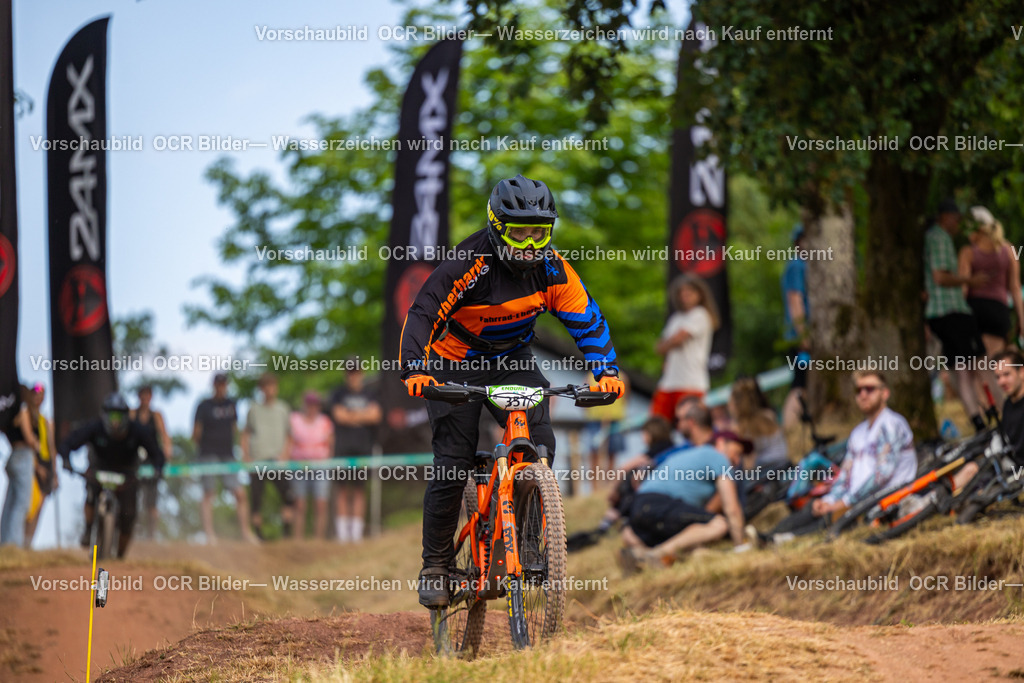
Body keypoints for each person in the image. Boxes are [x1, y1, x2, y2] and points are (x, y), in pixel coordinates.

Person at [400, 174, 624, 607]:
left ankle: (529, 539)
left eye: (539, 233)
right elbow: (423, 311)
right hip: (456, 362)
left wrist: (605, 370)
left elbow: (586, 319)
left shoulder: (553, 268)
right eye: (519, 232)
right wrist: (414, 368)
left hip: (512, 360)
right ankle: (437, 564)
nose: (529, 243)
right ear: (496, 227)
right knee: (453, 462)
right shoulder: (470, 263)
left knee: (542, 444)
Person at [763, 370, 917, 542]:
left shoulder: (891, 424)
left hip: (884, 499)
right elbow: (845, 474)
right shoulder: (857, 433)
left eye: (870, 389)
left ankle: (785, 539)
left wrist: (844, 502)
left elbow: (882, 475)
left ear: (885, 393)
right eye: (859, 390)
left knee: (833, 517)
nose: (863, 395)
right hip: (855, 500)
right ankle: (769, 537)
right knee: (812, 507)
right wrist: (829, 499)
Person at [619, 403, 746, 571]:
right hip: (658, 502)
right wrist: (742, 546)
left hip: (640, 507)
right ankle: (658, 555)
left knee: (684, 534)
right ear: (721, 443)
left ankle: (642, 553)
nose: (737, 462)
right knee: (719, 525)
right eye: (736, 453)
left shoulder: (688, 455)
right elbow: (731, 508)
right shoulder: (718, 457)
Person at [57, 393, 165, 558]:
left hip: (127, 477)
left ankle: (120, 555)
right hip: (99, 472)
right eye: (112, 415)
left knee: (129, 517)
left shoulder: (138, 430)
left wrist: (157, 470)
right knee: (91, 495)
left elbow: (157, 455)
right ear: (104, 415)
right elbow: (69, 442)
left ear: (126, 416)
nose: (115, 420)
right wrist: (65, 459)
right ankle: (88, 528)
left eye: (119, 415)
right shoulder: (95, 427)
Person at [925, 198, 989, 432]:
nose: (958, 224)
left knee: (960, 369)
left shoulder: (935, 237)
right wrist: (970, 281)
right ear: (946, 217)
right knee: (975, 365)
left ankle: (978, 419)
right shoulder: (940, 238)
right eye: (956, 218)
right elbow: (940, 277)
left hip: (942, 313)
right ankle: (985, 415)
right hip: (951, 311)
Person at [192, 373, 258, 544]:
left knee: (239, 493)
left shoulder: (231, 404)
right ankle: (209, 534)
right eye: (219, 384)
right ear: (213, 385)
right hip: (207, 454)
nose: (222, 387)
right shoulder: (203, 406)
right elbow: (196, 432)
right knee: (209, 493)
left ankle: (245, 532)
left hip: (227, 454)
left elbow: (234, 428)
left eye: (224, 384)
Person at [951, 349, 1024, 490]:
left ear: (1021, 372)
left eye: (1006, 374)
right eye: (997, 377)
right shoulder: (1009, 404)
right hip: (1011, 465)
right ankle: (929, 502)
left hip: (1018, 472)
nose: (1001, 381)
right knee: (970, 469)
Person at [650, 274, 719, 423]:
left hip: (691, 382)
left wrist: (669, 343)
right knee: (657, 426)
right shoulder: (676, 318)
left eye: (689, 292)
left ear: (699, 294)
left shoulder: (700, 315)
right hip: (669, 382)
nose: (685, 297)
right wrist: (670, 343)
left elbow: (677, 340)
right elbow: (660, 348)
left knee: (691, 426)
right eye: (682, 293)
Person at [959, 205, 1024, 357]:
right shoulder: (1010, 250)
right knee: (996, 363)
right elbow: (1015, 287)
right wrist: (1021, 319)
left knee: (978, 367)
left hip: (975, 310)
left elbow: (964, 287)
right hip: (999, 311)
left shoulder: (968, 252)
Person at [328, 364, 381, 543]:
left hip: (363, 448)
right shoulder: (338, 393)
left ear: (361, 373)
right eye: (350, 372)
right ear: (346, 374)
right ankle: (343, 536)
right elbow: (338, 416)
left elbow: (375, 415)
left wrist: (351, 415)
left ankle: (356, 535)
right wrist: (362, 415)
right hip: (342, 448)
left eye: (356, 372)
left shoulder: (370, 393)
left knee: (359, 489)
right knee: (342, 489)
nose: (353, 376)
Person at [240, 373, 295, 539]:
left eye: (272, 386)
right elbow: (245, 434)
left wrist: (285, 455)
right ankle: (258, 535)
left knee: (289, 497)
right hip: (258, 461)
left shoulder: (283, 409)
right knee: (256, 501)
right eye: (266, 387)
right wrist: (246, 456)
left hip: (278, 462)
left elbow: (289, 435)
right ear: (261, 389)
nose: (269, 390)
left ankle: (286, 533)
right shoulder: (254, 410)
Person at [289, 391, 334, 539]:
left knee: (320, 504)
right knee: (299, 504)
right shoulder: (295, 419)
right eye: (309, 404)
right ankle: (297, 540)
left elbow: (330, 443)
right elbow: (289, 441)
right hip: (299, 467)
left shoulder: (325, 422)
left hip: (320, 466)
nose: (312, 408)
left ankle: (318, 540)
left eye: (315, 404)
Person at [131, 385, 172, 539]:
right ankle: (133, 532)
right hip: (135, 463)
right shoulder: (132, 414)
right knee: (133, 499)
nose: (145, 399)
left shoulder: (156, 416)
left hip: (153, 462)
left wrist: (167, 451)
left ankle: (151, 535)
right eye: (143, 396)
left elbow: (164, 435)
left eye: (147, 396)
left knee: (152, 503)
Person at [781, 223, 811, 431]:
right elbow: (795, 300)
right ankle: (789, 429)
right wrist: (803, 334)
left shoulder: (804, 265)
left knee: (805, 384)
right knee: (799, 385)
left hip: (801, 336)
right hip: (800, 339)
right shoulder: (797, 265)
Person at [729, 377, 788, 470]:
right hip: (785, 464)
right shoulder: (769, 415)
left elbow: (748, 466)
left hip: (766, 473)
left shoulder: (742, 428)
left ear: (736, 403)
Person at [1, 385, 35, 547]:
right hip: (23, 457)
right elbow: (29, 438)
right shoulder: (23, 410)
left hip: (12, 456)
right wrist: (38, 444)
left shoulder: (8, 415)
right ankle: (13, 544)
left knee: (10, 503)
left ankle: (5, 543)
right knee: (22, 503)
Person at [24, 384, 57, 546]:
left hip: (47, 464)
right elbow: (28, 444)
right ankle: (21, 542)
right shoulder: (27, 417)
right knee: (29, 506)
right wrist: (36, 466)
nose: (39, 398)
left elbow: (52, 448)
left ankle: (29, 543)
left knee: (39, 507)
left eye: (42, 395)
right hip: (33, 463)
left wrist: (55, 473)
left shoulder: (46, 422)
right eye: (36, 394)